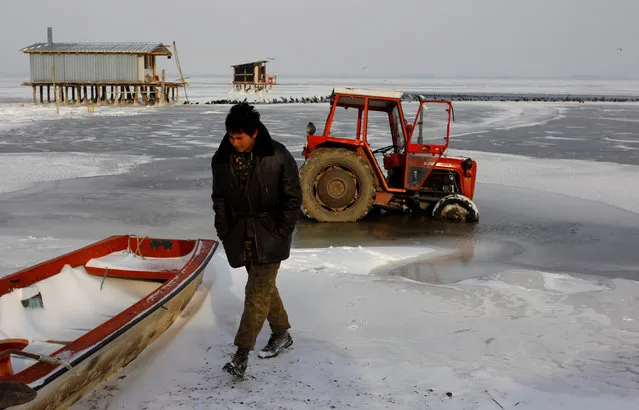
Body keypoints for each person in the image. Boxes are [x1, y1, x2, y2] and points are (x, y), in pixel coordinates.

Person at [211, 102, 302, 378]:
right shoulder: (222, 157)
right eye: (231, 136)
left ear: (253, 133)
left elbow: (293, 198)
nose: (234, 142)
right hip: (241, 233)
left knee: (256, 292)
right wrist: (224, 229)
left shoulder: (277, 154)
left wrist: (282, 230)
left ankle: (241, 354)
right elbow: (220, 198)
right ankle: (282, 332)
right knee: (264, 288)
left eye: (239, 137)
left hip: (270, 232)